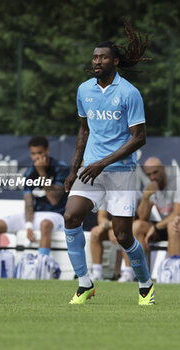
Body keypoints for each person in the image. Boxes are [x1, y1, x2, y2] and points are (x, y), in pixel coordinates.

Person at [63, 19, 155, 305]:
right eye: (94, 57)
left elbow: (138, 138)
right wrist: (74, 169)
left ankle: (145, 285)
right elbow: (84, 130)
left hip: (119, 172)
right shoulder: (84, 90)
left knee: (123, 235)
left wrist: (102, 163)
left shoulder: (129, 93)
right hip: (90, 169)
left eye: (103, 57)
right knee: (70, 217)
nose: (97, 61)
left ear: (115, 60)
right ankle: (84, 284)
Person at [0, 136, 69, 256]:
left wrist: (41, 173)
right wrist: (28, 225)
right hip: (35, 216)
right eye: (33, 154)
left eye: (40, 153)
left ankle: (42, 265)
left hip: (56, 215)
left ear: (47, 151)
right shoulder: (29, 173)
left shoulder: (60, 168)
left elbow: (53, 199)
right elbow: (28, 204)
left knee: (45, 224)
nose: (36, 157)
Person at [119, 157, 180, 281]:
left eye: (155, 172)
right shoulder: (151, 186)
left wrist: (155, 227)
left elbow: (177, 214)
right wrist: (146, 197)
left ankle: (172, 274)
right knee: (136, 226)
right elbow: (143, 217)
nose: (153, 177)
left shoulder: (176, 182)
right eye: (149, 174)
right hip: (161, 227)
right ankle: (132, 273)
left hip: (175, 225)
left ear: (163, 169)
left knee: (173, 225)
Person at [90, 201, 122, 281]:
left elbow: (129, 220)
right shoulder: (106, 193)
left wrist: (114, 229)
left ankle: (128, 273)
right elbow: (101, 217)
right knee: (95, 232)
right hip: (113, 227)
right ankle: (97, 273)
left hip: (129, 228)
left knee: (125, 235)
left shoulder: (129, 192)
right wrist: (110, 228)